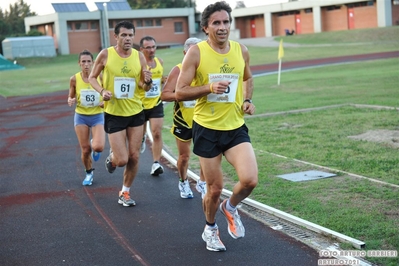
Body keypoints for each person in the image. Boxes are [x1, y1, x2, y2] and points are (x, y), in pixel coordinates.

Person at [175, 1, 258, 252]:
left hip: (235, 127)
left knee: (250, 180)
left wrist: (247, 100)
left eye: (226, 22)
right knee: (214, 189)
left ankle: (230, 208)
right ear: (206, 27)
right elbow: (180, 91)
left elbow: (248, 77)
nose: (223, 27)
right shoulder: (197, 53)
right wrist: (209, 88)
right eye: (216, 23)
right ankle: (210, 228)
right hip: (207, 129)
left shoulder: (240, 50)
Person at [88, 21, 153, 207]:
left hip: (135, 112)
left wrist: (147, 81)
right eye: (123, 35)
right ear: (116, 37)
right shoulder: (106, 54)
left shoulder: (139, 57)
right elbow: (92, 77)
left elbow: (143, 86)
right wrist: (102, 91)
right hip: (114, 113)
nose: (128, 38)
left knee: (134, 156)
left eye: (130, 35)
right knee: (122, 159)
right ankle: (113, 158)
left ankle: (125, 192)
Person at [161, 37, 207, 199]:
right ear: (185, 53)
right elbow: (164, 95)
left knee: (206, 154)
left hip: (203, 119)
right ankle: (183, 181)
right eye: (191, 52)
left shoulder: (205, 68)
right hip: (183, 120)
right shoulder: (178, 70)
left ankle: (202, 182)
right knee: (184, 156)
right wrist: (182, 95)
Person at [67, 49, 105, 186]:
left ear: (94, 62)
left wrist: (104, 102)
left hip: (97, 116)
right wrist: (70, 100)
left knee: (99, 147)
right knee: (85, 149)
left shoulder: (100, 77)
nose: (86, 64)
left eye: (89, 61)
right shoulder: (74, 79)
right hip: (81, 116)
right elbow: (71, 96)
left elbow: (107, 93)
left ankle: (95, 144)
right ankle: (89, 173)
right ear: (79, 63)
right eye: (83, 62)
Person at [138, 36, 167, 176]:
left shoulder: (159, 62)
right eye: (148, 47)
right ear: (141, 49)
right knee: (139, 136)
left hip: (156, 103)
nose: (151, 50)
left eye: (153, 47)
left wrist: (163, 81)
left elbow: (160, 80)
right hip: (140, 104)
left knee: (156, 133)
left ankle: (156, 163)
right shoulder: (138, 65)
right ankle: (142, 137)